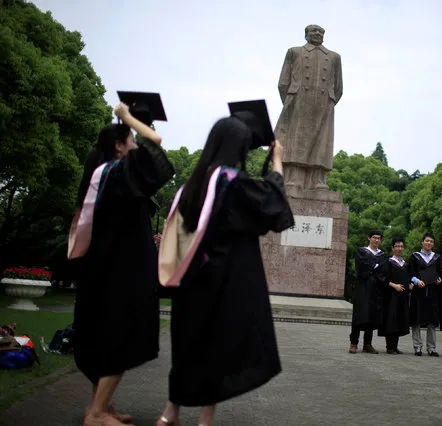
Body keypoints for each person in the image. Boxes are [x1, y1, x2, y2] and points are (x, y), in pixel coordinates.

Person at [156, 103, 294, 426]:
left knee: (187, 347)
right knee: (216, 351)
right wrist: (276, 163)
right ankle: (204, 421)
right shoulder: (231, 182)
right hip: (222, 284)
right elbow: (272, 206)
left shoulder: (192, 184)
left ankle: (169, 414)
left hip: (191, 283)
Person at [69, 99, 175, 426]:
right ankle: (98, 414)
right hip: (122, 278)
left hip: (99, 277)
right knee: (120, 338)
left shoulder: (98, 175)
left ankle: (98, 406)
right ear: (118, 147)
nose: (135, 144)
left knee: (102, 339)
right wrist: (127, 117)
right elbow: (155, 149)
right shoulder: (119, 173)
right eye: (129, 140)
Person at [274, 24, 343, 190]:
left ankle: (318, 180)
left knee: (322, 142)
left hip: (323, 105)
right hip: (298, 102)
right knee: (295, 140)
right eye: (314, 31)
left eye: (321, 31)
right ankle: (294, 178)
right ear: (306, 34)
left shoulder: (334, 57)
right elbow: (283, 82)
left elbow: (338, 87)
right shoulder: (294, 52)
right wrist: (292, 101)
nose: (317, 33)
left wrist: (328, 102)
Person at [349, 229, 387, 354]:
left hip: (375, 289)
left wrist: (373, 266)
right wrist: (375, 266)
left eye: (379, 238)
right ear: (369, 238)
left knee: (371, 316)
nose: (377, 240)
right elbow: (361, 268)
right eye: (374, 237)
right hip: (362, 288)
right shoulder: (362, 251)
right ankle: (354, 343)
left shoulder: (382, 254)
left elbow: (383, 271)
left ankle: (367, 344)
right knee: (359, 315)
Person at [408, 233, 441, 356]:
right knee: (416, 319)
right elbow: (409, 273)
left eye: (431, 241)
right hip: (418, 292)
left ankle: (431, 348)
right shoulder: (414, 257)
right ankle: (417, 347)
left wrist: (439, 279)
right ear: (422, 242)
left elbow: (440, 273)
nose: (429, 243)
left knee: (432, 320)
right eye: (427, 241)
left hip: (433, 292)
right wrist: (416, 281)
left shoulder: (437, 257)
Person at [379, 236, 410, 354]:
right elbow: (383, 279)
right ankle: (389, 347)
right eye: (397, 246)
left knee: (399, 320)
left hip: (402, 296)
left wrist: (409, 285)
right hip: (391, 296)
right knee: (391, 320)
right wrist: (394, 286)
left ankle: (395, 346)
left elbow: (407, 278)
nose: (400, 248)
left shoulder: (405, 263)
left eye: (401, 246)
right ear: (393, 248)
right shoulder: (388, 262)